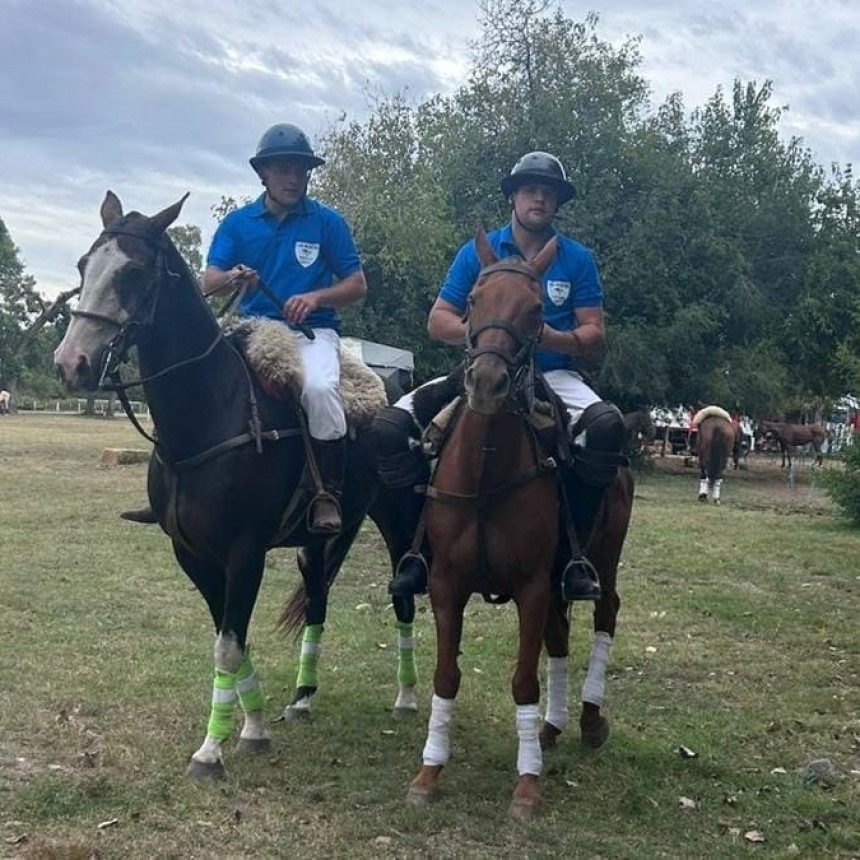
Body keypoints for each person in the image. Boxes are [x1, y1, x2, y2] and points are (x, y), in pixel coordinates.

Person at [368, 150, 626, 601]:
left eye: (548, 193)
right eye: (530, 190)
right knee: (389, 428)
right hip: (483, 367)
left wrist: (546, 338)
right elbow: (438, 320)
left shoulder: (576, 259)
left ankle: (572, 559)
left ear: (557, 204)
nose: (539, 199)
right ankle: (418, 552)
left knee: (605, 428)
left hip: (553, 374)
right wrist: (493, 334)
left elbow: (594, 333)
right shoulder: (478, 252)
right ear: (513, 197)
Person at [123, 123, 367, 533]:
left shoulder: (328, 223)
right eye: (284, 170)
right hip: (250, 328)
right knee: (190, 383)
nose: (294, 178)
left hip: (311, 334)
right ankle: (168, 485)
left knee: (322, 391)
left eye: (301, 171)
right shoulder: (238, 224)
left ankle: (326, 491)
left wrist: (316, 298)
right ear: (263, 174)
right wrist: (234, 277)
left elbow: (357, 284)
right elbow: (208, 282)